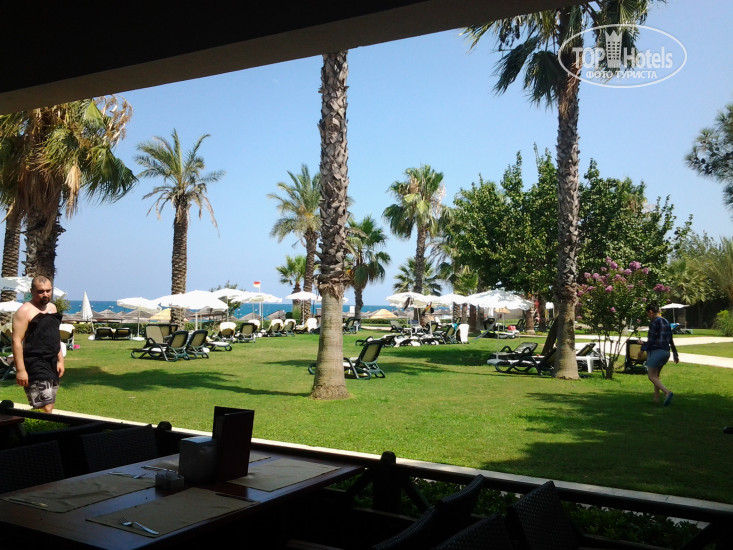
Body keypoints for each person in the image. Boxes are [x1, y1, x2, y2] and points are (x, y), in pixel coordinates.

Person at [12, 275, 64, 413]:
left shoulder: (52, 308)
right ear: (32, 291)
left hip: (51, 362)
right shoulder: (24, 311)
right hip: (35, 363)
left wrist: (60, 360)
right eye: (40, 291)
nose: (45, 294)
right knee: (44, 407)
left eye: (48, 290)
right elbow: (16, 341)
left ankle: (41, 425)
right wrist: (21, 370)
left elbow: (54, 336)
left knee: (49, 406)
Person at [641, 303, 679, 406]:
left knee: (651, 376)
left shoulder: (654, 322)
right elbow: (670, 339)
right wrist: (675, 353)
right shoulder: (666, 321)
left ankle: (667, 392)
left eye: (647, 314)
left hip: (656, 352)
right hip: (666, 352)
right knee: (656, 376)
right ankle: (656, 399)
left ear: (650, 312)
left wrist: (642, 348)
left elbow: (651, 341)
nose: (648, 316)